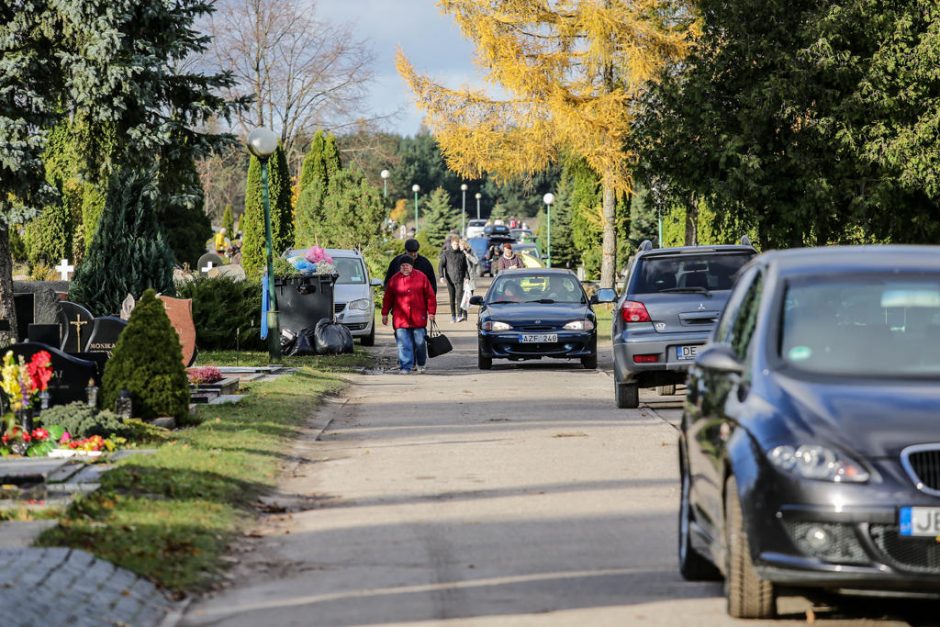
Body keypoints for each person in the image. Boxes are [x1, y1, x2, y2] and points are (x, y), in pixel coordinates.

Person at [382, 259, 437, 374]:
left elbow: (430, 296)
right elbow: (388, 298)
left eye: (407, 265)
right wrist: (384, 313)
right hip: (400, 319)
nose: (405, 267)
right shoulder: (394, 279)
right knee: (403, 344)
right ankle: (405, 367)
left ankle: (421, 363)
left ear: (412, 266)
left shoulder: (421, 277)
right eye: (402, 265)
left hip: (418, 318)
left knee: (420, 343)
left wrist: (431, 312)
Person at [439, 237, 470, 323]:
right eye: (454, 244)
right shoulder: (446, 254)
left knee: (459, 297)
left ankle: (459, 315)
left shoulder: (462, 254)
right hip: (449, 279)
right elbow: (441, 266)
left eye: (457, 244)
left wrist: (467, 277)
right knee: (452, 298)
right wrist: (441, 276)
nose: (456, 246)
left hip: (459, 279)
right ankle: (453, 316)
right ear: (451, 244)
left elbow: (465, 267)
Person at [460, 239, 480, 318]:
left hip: (470, 277)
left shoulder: (470, 251)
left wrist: (467, 255)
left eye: (461, 245)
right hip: (462, 277)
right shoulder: (458, 253)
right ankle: (462, 314)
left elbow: (476, 261)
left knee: (469, 296)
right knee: (461, 296)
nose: (460, 247)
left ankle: (465, 312)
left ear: (464, 245)